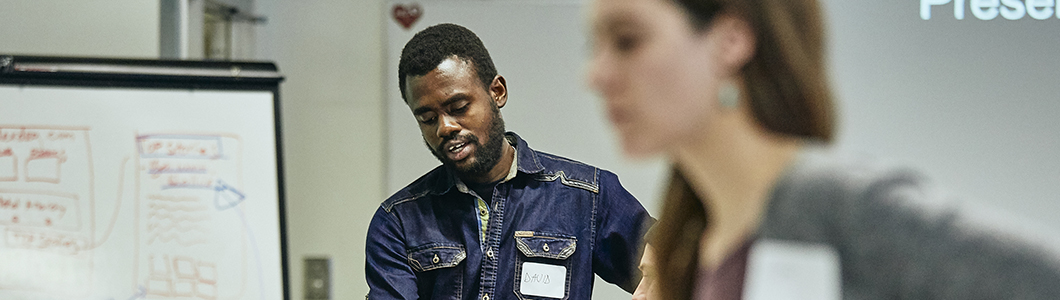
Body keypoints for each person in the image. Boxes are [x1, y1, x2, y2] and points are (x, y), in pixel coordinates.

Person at [587, 0, 1060, 299]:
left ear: (731, 41)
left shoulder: (828, 203)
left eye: (628, 41)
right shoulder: (700, 235)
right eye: (596, 46)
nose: (596, 74)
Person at [365, 23, 653, 300]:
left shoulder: (587, 197)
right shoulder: (398, 222)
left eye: (459, 108)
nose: (445, 127)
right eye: (428, 118)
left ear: (497, 92)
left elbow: (680, 270)